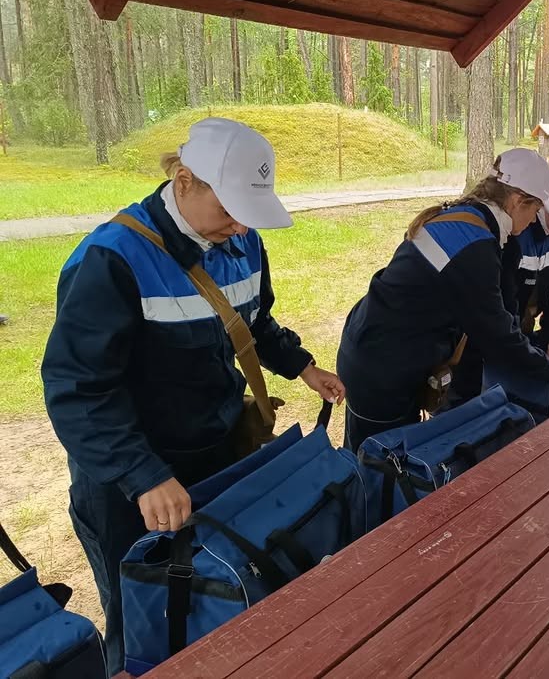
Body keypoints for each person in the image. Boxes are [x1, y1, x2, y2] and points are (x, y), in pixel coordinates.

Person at [41, 118, 344, 675]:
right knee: (142, 617)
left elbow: (254, 321)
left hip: (216, 454)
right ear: (184, 181)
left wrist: (301, 365)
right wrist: (143, 474)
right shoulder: (111, 258)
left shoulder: (242, 240)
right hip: (131, 483)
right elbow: (76, 390)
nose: (238, 226)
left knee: (218, 592)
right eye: (228, 209)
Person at [337, 148, 549, 449]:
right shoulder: (475, 246)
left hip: (377, 353)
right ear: (516, 202)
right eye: (534, 208)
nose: (532, 221)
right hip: (381, 369)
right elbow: (497, 334)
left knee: (385, 463)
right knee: (377, 466)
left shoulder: (469, 219)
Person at [450, 162, 549, 405]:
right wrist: (544, 365)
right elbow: (499, 314)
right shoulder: (514, 229)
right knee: (468, 409)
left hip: (515, 338)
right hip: (481, 342)